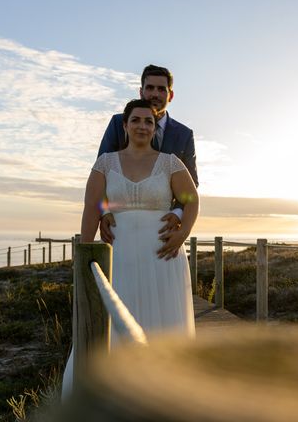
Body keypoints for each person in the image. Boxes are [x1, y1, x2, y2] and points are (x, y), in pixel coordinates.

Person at [61, 99, 199, 398]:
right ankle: (110, 393)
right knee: (115, 315)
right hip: (119, 255)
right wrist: (85, 256)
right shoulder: (106, 163)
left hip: (163, 256)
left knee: (163, 325)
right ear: (124, 125)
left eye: (148, 121)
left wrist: (182, 234)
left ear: (154, 127)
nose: (142, 126)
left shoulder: (170, 162)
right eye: (135, 120)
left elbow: (191, 200)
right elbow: (91, 208)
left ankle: (162, 396)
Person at [97, 65, 198, 257]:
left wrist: (178, 215)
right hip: (121, 233)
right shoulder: (118, 124)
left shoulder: (184, 134)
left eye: (161, 89)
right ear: (141, 91)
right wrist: (104, 212)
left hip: (163, 234)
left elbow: (193, 183)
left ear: (171, 95)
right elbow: (100, 174)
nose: (155, 94)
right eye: (150, 88)